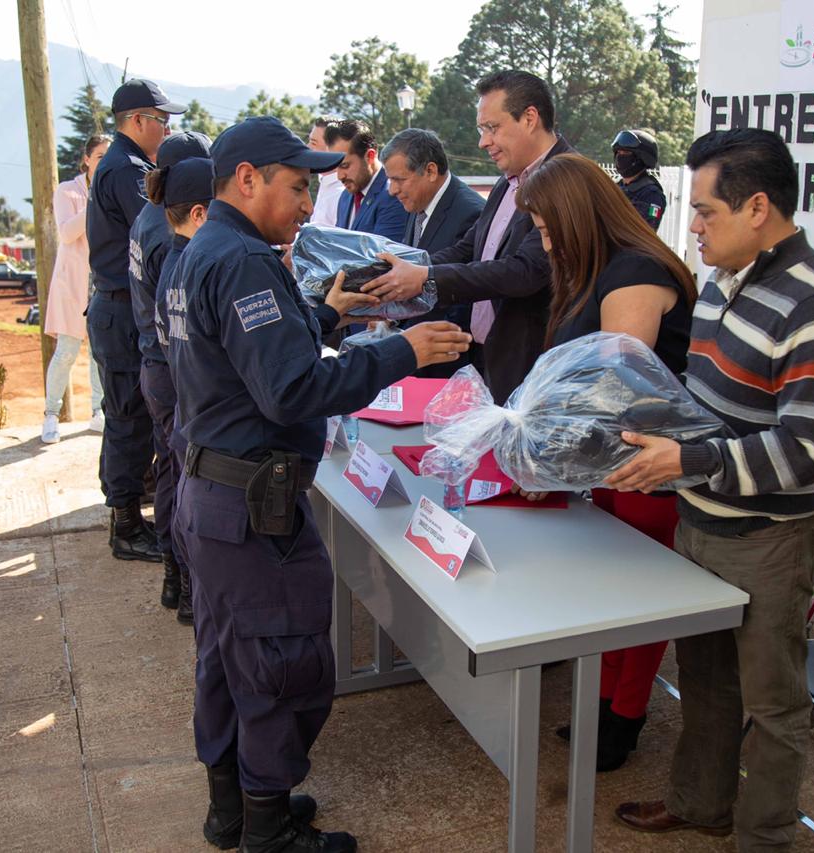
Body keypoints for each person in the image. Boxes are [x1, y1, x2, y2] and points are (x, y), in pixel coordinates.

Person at [165, 116, 470, 852]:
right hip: (250, 506)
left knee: (228, 656)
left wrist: (320, 311)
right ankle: (268, 829)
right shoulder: (240, 261)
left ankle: (233, 807)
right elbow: (291, 389)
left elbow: (238, 353)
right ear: (248, 180)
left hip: (213, 493)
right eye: (298, 186)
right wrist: (400, 348)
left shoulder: (208, 251)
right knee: (283, 661)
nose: (309, 204)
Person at [606, 128, 814, 851]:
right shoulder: (728, 276)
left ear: (758, 207)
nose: (692, 226)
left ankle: (765, 836)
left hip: (768, 537)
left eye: (706, 210)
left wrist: (689, 460)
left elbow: (810, 454)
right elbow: (706, 401)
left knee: (774, 701)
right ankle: (700, 802)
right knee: (707, 675)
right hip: (704, 517)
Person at [515, 152, 696, 771]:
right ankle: (603, 705)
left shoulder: (637, 272)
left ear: (576, 215)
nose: (542, 243)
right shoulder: (596, 270)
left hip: (651, 465)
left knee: (639, 598)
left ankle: (624, 720)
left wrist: (544, 455)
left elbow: (618, 383)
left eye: (545, 228)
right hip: (615, 464)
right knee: (611, 590)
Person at [363, 69, 574, 403]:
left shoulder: (567, 177)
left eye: (492, 128)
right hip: (488, 361)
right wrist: (400, 275)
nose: (482, 141)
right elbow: (467, 250)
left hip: (533, 368)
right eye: (481, 129)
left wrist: (425, 278)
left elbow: (527, 271)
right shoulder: (508, 181)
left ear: (530, 118)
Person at [86, 78, 186, 562]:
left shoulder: (127, 164)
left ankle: (128, 509)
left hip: (122, 306)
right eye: (163, 121)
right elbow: (159, 227)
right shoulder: (127, 170)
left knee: (130, 416)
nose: (166, 130)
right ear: (137, 121)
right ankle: (125, 523)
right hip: (123, 309)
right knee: (127, 419)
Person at [129, 130, 211, 619]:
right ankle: (183, 583)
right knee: (183, 479)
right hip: (169, 368)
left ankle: (172, 576)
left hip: (153, 364)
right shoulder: (170, 233)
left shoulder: (147, 218)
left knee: (170, 472)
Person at [381, 127, 485, 377]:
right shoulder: (418, 204)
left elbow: (461, 294)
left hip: (446, 366)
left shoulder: (470, 213)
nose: (392, 190)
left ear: (430, 171)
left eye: (399, 180)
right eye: (390, 180)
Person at [41, 134, 111, 445]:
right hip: (72, 282)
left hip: (101, 280)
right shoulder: (67, 191)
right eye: (99, 156)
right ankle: (51, 415)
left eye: (108, 156)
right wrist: (96, 202)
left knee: (100, 353)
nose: (103, 162)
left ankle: (98, 411)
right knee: (67, 351)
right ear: (86, 159)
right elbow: (68, 232)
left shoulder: (111, 189)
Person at [329, 119, 409, 240]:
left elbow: (382, 255)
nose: (340, 176)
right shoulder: (345, 196)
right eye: (336, 168)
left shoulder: (393, 196)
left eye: (345, 166)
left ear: (370, 156)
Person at [612, 129, 667, 229]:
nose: (620, 156)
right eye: (619, 152)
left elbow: (642, 231)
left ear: (642, 158)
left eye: (626, 153)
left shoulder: (652, 195)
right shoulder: (616, 187)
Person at [307, 116, 344, 227]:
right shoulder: (325, 184)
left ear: (333, 149)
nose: (307, 147)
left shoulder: (341, 195)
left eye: (313, 143)